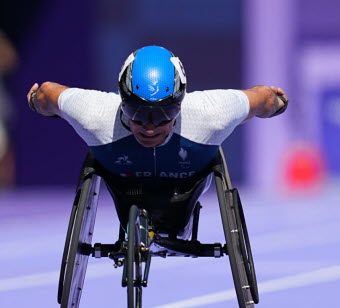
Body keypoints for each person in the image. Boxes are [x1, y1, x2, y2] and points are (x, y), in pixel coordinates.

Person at [26, 45, 287, 236]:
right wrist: (36, 102)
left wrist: (277, 103)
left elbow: (261, 98)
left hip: (185, 188)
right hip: (123, 186)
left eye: (165, 114)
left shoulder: (211, 114)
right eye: (136, 113)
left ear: (181, 103)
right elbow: (48, 94)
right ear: (122, 100)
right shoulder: (95, 114)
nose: (150, 127)